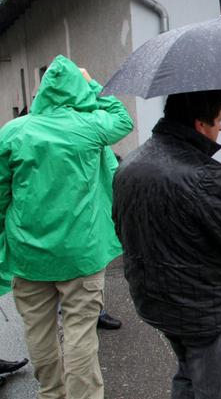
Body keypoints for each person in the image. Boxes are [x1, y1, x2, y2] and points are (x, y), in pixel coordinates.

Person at [112, 90, 221, 399]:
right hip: (204, 309)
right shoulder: (208, 177)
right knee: (218, 388)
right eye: (220, 121)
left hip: (154, 299)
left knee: (187, 373)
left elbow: (121, 228)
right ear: (200, 124)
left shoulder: (129, 166)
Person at [0, 55, 133, 398]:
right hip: (80, 252)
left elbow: (1, 195)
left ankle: (51, 392)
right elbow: (122, 118)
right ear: (76, 89)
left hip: (28, 254)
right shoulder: (88, 129)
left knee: (38, 332)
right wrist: (92, 84)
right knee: (80, 333)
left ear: (41, 91)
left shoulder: (14, 131)